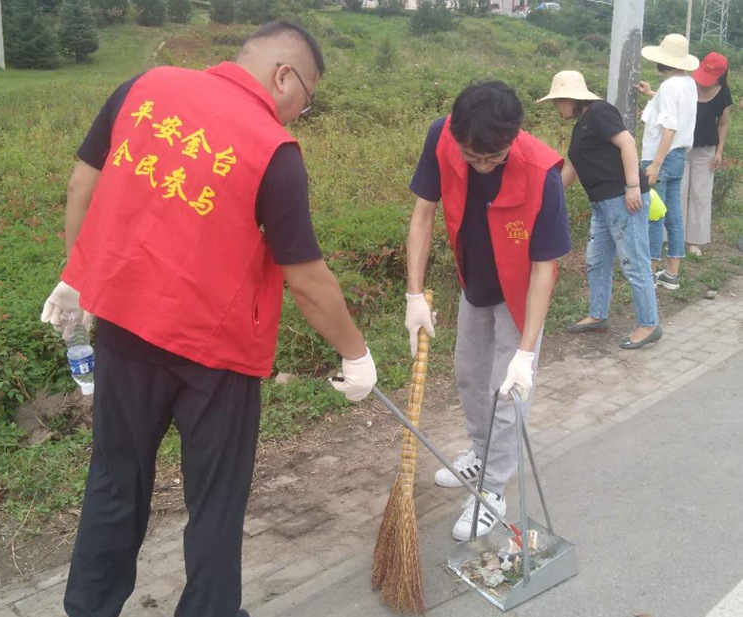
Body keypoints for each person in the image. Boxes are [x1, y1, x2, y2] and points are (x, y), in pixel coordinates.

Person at [40, 22, 377, 617]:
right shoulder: (273, 150)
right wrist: (356, 353)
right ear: (284, 76)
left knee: (115, 480)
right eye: (307, 99)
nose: (299, 114)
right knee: (216, 502)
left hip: (124, 330)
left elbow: (80, 185)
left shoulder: (141, 88)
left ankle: (89, 608)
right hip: (216, 355)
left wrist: (81, 276)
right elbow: (306, 278)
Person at [405, 81, 571, 541]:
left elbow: (544, 268)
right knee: (469, 375)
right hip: (474, 281)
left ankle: (493, 489)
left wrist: (526, 351)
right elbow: (422, 216)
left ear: (513, 138)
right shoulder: (441, 136)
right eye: (471, 157)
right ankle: (481, 454)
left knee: (507, 391)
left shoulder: (542, 173)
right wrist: (414, 294)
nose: (480, 165)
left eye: (492, 158)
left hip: (519, 293)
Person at [539, 71, 661, 350]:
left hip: (623, 199)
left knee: (634, 261)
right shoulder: (581, 126)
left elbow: (627, 142)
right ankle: (597, 314)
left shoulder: (599, 112)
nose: (557, 106)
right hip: (602, 204)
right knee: (596, 260)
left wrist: (632, 186)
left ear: (573, 98)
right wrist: (550, 197)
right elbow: (573, 166)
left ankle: (649, 324)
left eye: (559, 101)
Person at [636, 33, 699, 290]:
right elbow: (675, 110)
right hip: (679, 157)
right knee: (673, 214)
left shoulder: (670, 86)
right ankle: (672, 273)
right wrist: (652, 93)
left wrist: (655, 164)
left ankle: (650, 272)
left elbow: (669, 127)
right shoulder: (688, 83)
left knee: (654, 214)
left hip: (660, 157)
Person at [682, 52, 732, 257]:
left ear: (720, 75)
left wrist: (719, 152)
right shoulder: (688, 85)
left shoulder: (724, 94)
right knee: (677, 191)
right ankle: (672, 237)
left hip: (706, 150)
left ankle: (694, 240)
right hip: (681, 146)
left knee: (700, 194)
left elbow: (723, 124)